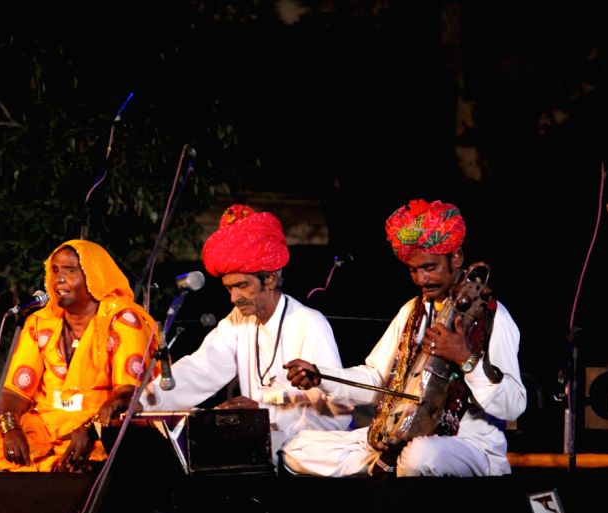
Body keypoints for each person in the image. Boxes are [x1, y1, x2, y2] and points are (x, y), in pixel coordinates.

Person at [284, 198, 526, 477]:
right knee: (298, 449)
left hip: (467, 445)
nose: (421, 279)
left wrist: (465, 359)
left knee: (419, 456)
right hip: (402, 434)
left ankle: (386, 469)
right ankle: (384, 467)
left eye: (430, 267)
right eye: (414, 270)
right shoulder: (412, 310)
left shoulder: (491, 314)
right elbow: (377, 379)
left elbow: (515, 405)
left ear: (455, 258)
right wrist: (321, 376)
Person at [142, 204, 352, 466]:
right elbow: (199, 370)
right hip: (255, 453)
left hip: (305, 464)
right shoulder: (238, 320)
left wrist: (263, 415)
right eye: (229, 288)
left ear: (271, 280)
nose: (234, 298)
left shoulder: (308, 324)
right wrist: (139, 403)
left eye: (242, 285)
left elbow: (335, 413)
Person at [0, 240, 157, 472]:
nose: (59, 279)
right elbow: (13, 393)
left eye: (70, 271)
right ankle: (55, 466)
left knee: (117, 439)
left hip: (95, 429)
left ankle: (50, 467)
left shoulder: (122, 320)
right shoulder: (40, 322)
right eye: (55, 270)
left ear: (93, 277)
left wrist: (91, 428)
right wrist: (10, 428)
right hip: (45, 430)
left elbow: (130, 392)